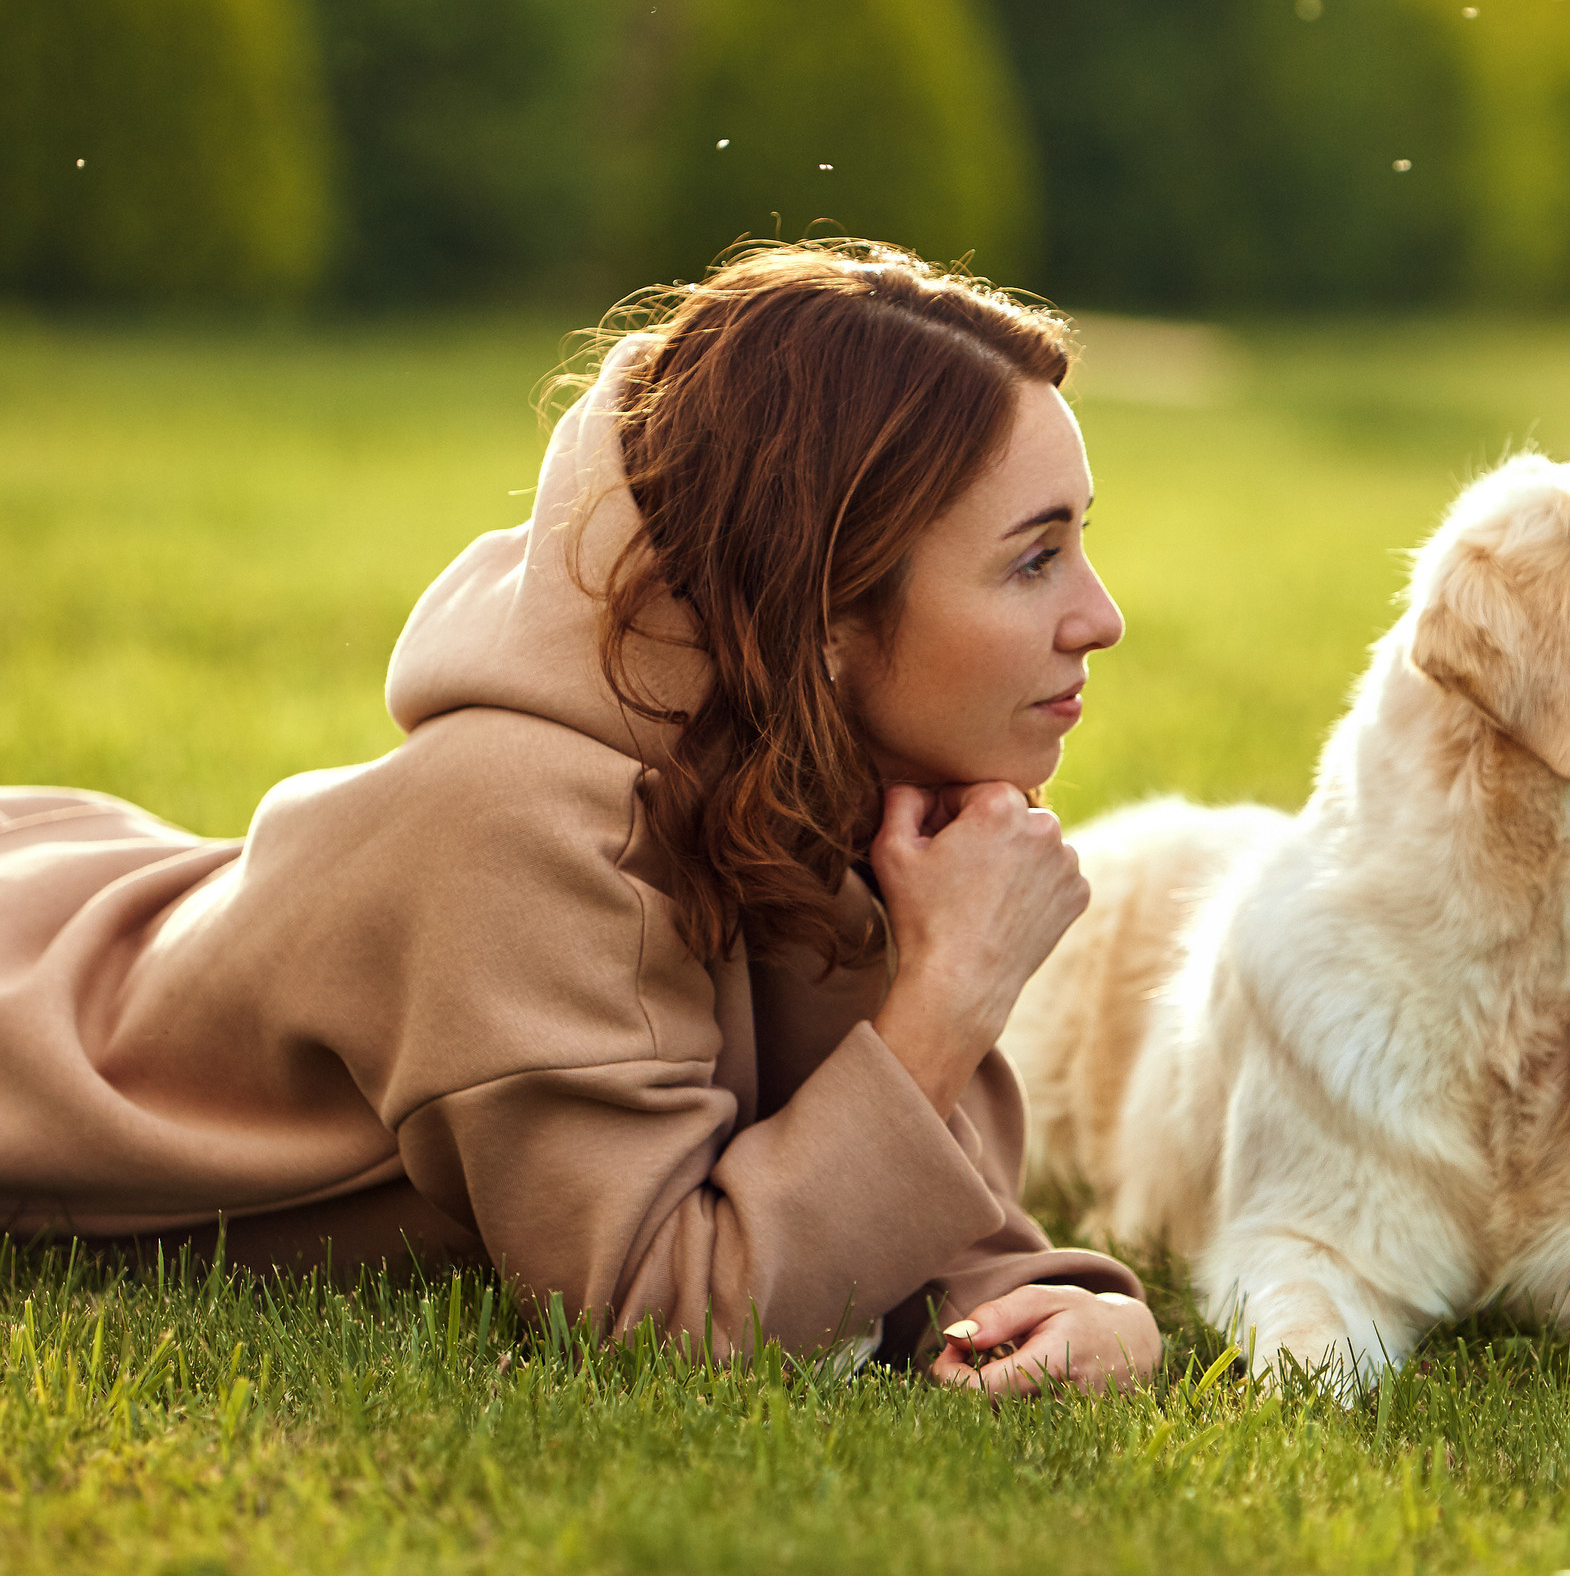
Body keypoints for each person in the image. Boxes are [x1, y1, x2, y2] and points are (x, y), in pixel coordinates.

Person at [0, 242, 1161, 1396]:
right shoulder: (511, 829)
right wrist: (946, 996)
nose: (1099, 618)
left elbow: (890, 1224)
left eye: (1080, 543)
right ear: (822, 610)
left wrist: (1078, 1313)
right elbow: (676, 1329)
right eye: (1033, 561)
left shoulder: (843, 773)